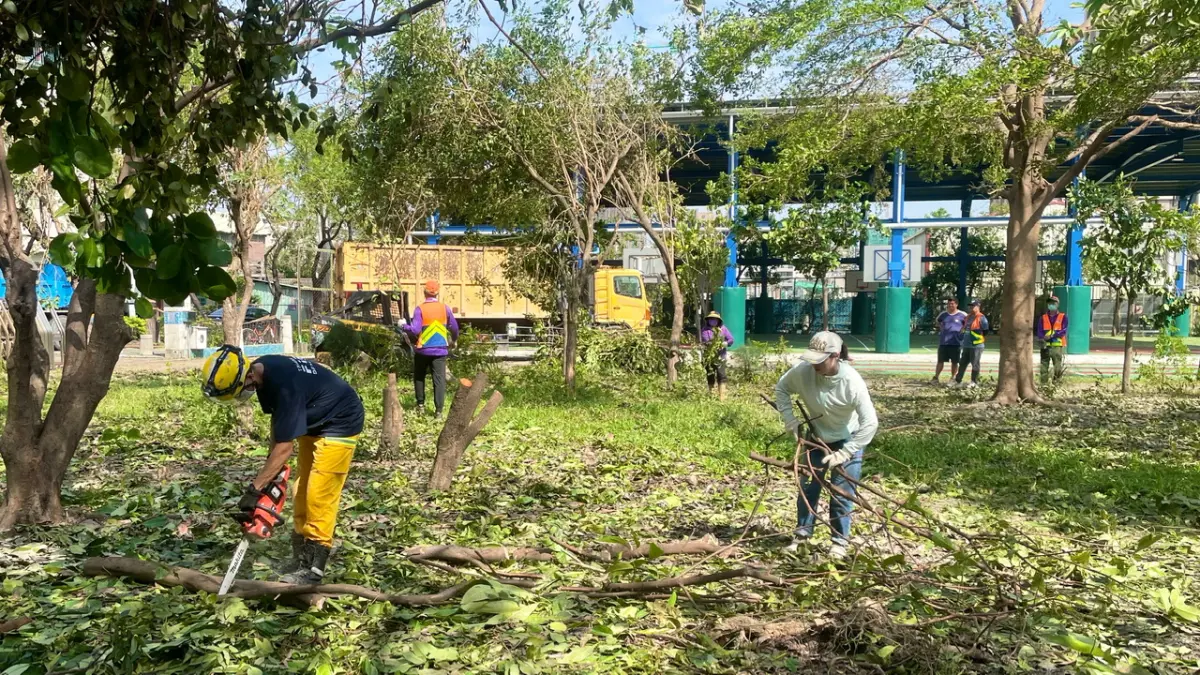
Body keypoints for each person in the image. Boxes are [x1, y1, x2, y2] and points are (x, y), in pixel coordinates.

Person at [202, 346, 365, 585]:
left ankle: (314, 569)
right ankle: (300, 560)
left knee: (319, 494)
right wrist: (271, 471)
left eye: (239, 391)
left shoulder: (283, 384)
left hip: (341, 422)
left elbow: (285, 448)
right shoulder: (262, 374)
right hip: (314, 422)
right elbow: (279, 429)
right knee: (301, 491)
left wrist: (255, 489)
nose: (241, 396)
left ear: (247, 376)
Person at [774, 331, 878, 559]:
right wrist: (789, 419)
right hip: (816, 437)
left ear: (835, 356)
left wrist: (847, 452)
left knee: (841, 492)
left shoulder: (852, 382)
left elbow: (870, 423)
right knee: (808, 487)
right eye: (812, 359)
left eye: (820, 360)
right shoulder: (802, 372)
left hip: (847, 439)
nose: (814, 365)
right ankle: (802, 536)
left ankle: (839, 542)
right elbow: (781, 388)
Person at [404, 280, 460, 416]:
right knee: (439, 380)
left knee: (419, 376)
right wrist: (454, 339)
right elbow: (455, 327)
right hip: (440, 350)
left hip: (423, 350)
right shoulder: (444, 308)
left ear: (424, 293)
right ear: (437, 293)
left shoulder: (420, 309)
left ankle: (421, 406)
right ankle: (439, 411)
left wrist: (403, 326)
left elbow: (416, 330)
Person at [954, 299, 989, 388]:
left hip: (976, 345)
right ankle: (958, 380)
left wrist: (977, 339)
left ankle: (974, 382)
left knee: (975, 363)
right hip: (966, 344)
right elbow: (965, 327)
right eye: (970, 306)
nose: (971, 307)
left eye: (973, 306)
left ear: (978, 307)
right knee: (962, 363)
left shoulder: (982, 318)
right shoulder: (968, 317)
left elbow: (985, 331)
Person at [700, 310, 735, 400]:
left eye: (715, 319)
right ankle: (711, 394)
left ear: (718, 320)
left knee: (721, 375)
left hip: (720, 357)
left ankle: (722, 397)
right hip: (709, 357)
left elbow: (731, 339)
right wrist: (713, 344)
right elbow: (706, 341)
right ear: (708, 320)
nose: (713, 321)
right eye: (711, 319)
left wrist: (725, 343)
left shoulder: (723, 329)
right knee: (710, 374)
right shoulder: (705, 330)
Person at [932, 298, 967, 385]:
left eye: (952, 304)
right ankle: (936, 377)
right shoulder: (943, 314)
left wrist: (962, 332)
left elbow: (967, 324)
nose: (950, 305)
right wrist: (941, 327)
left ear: (956, 304)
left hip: (956, 343)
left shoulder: (962, 314)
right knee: (940, 361)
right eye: (949, 304)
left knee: (955, 362)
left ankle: (953, 378)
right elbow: (937, 322)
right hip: (944, 342)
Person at [1037, 295, 1069, 385]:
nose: (1051, 305)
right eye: (1050, 303)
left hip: (1057, 346)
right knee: (1043, 367)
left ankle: (1056, 384)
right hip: (1045, 346)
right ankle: (1043, 385)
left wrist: (1052, 336)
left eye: (1053, 303)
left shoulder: (1063, 317)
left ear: (1057, 304)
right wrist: (1042, 337)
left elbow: (1064, 330)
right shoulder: (1043, 318)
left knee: (1057, 367)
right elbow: (1039, 331)